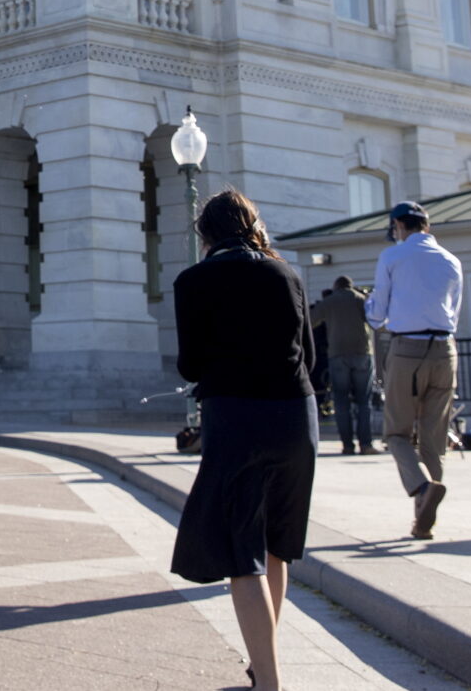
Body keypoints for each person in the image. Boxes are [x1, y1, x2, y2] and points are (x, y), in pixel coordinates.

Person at [170, 190, 317, 691]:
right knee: (277, 547)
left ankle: (270, 682)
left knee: (241, 552)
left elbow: (191, 364)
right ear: (254, 224)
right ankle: (263, 665)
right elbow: (310, 359)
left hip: (236, 418)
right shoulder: (287, 273)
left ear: (205, 233)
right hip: (297, 417)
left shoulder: (193, 280)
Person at [366, 201, 464, 539]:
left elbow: (377, 314)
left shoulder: (392, 257)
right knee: (433, 439)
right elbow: (455, 312)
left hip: (407, 348)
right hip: (444, 349)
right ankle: (423, 520)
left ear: (398, 227)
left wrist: (369, 308)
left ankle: (422, 487)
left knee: (397, 433)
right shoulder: (452, 261)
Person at [313, 275, 377, 455]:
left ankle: (347, 445)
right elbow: (375, 321)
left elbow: (310, 321)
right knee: (364, 402)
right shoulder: (360, 299)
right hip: (362, 353)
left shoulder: (329, 301)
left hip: (337, 354)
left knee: (341, 402)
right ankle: (366, 444)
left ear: (336, 286)